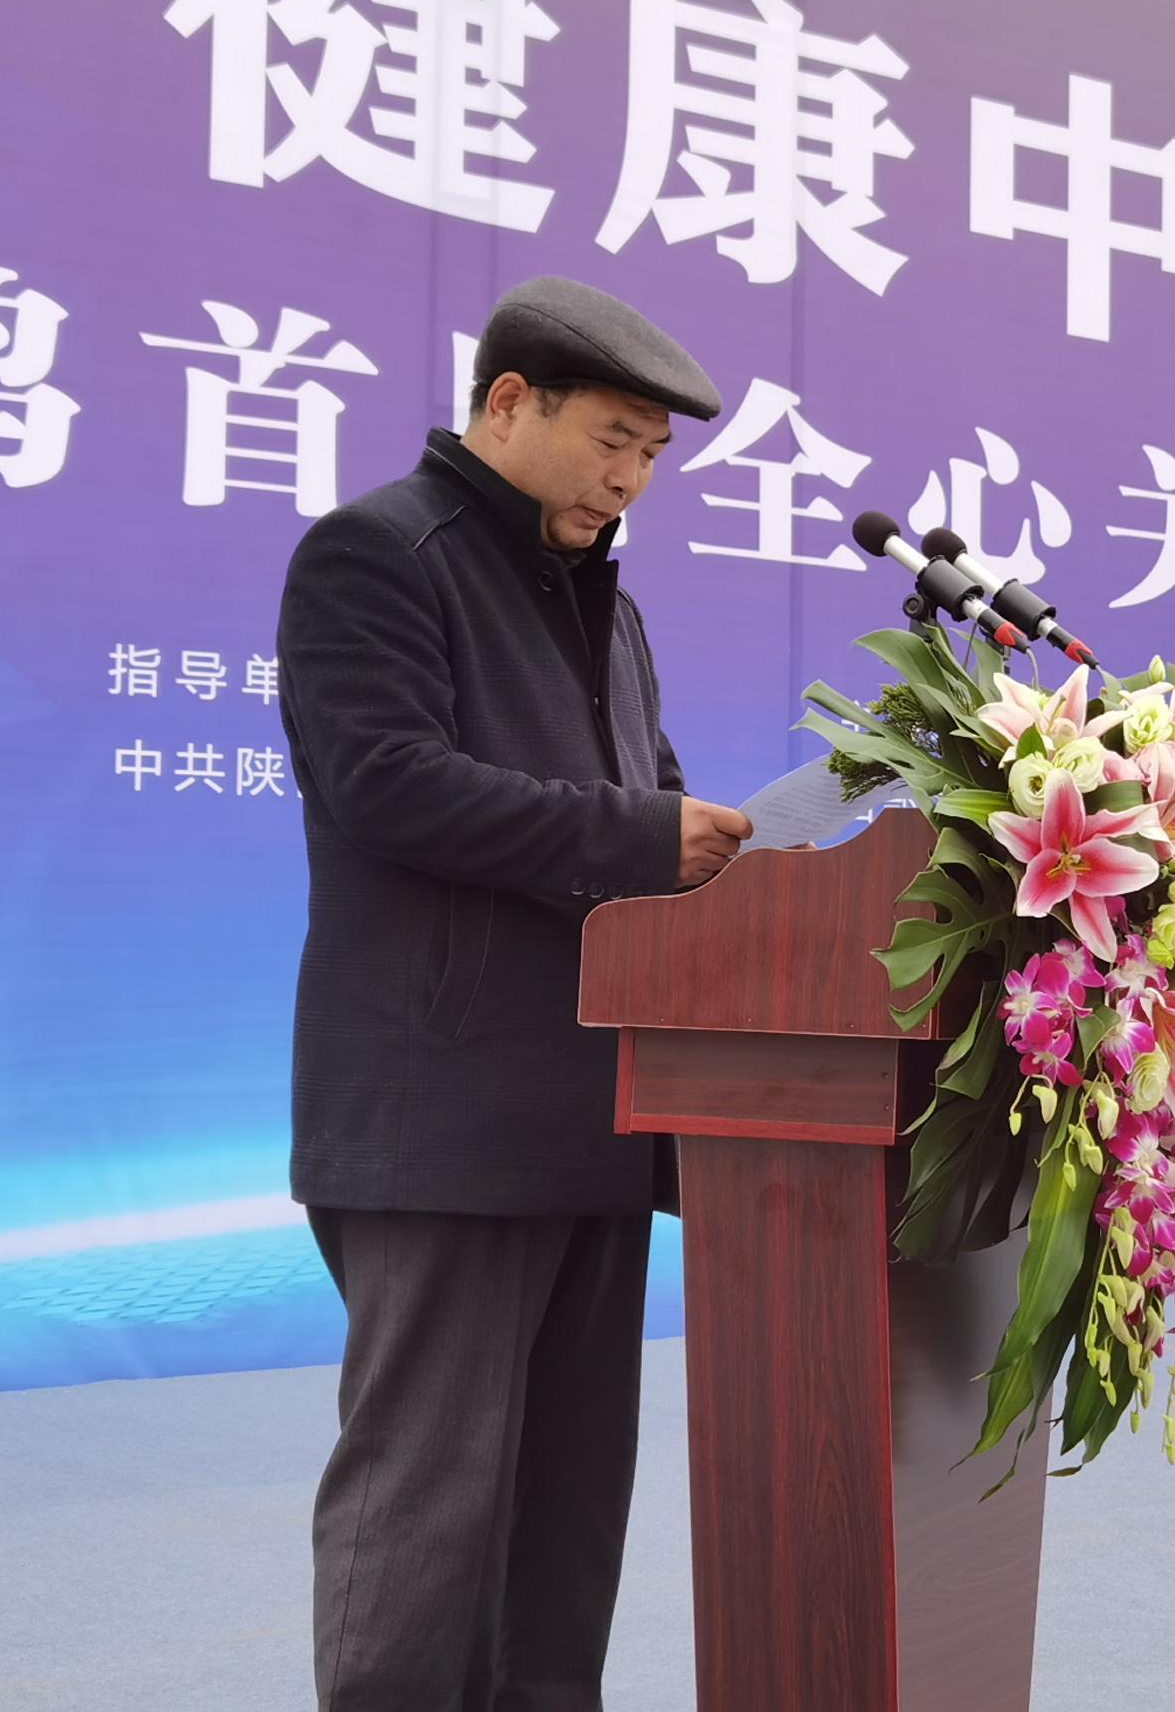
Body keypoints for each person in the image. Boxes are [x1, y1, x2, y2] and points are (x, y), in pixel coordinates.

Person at [275, 277, 750, 1709]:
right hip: (440, 1113)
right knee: (425, 1507)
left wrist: (731, 861)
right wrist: (642, 838)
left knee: (565, 1509)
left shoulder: (610, 608)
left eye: (651, 456)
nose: (630, 478)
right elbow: (387, 785)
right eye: (611, 440)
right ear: (506, 404)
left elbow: (646, 800)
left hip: (598, 1113)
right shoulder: (377, 554)